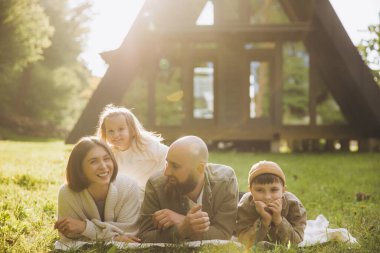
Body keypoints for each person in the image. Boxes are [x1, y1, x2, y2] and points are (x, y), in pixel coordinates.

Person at [138, 135, 239, 243]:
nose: (166, 172)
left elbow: (223, 235)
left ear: (199, 168)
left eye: (175, 166)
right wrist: (182, 229)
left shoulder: (225, 181)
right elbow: (145, 236)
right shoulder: (156, 185)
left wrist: (182, 221)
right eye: (167, 163)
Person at [54, 136, 141, 243]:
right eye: (93, 161)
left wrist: (84, 228)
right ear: (79, 167)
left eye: (106, 159)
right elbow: (69, 237)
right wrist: (114, 238)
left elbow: (130, 233)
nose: (103, 166)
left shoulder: (129, 186)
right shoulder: (67, 193)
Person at [96, 104, 168, 192]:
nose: (115, 135)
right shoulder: (111, 154)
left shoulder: (144, 144)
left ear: (132, 130)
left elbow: (168, 156)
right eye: (111, 131)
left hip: (158, 188)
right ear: (104, 133)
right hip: (136, 193)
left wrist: (161, 179)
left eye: (121, 129)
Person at [236, 161, 306, 248]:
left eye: (274, 190)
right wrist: (264, 222)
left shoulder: (294, 205)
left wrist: (278, 219)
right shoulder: (245, 205)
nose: (267, 197)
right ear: (250, 190)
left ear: (283, 190)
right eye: (259, 190)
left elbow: (296, 241)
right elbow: (244, 239)